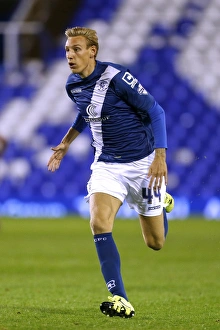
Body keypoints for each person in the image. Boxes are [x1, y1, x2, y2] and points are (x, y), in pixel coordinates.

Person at [47, 27, 174, 318]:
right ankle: (120, 299)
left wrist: (160, 156)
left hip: (143, 164)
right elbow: (86, 110)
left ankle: (162, 202)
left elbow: (156, 111)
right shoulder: (72, 85)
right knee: (98, 222)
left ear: (92, 51)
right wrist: (66, 143)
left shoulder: (117, 77)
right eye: (67, 50)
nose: (70, 55)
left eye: (76, 49)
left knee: (156, 243)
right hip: (107, 165)